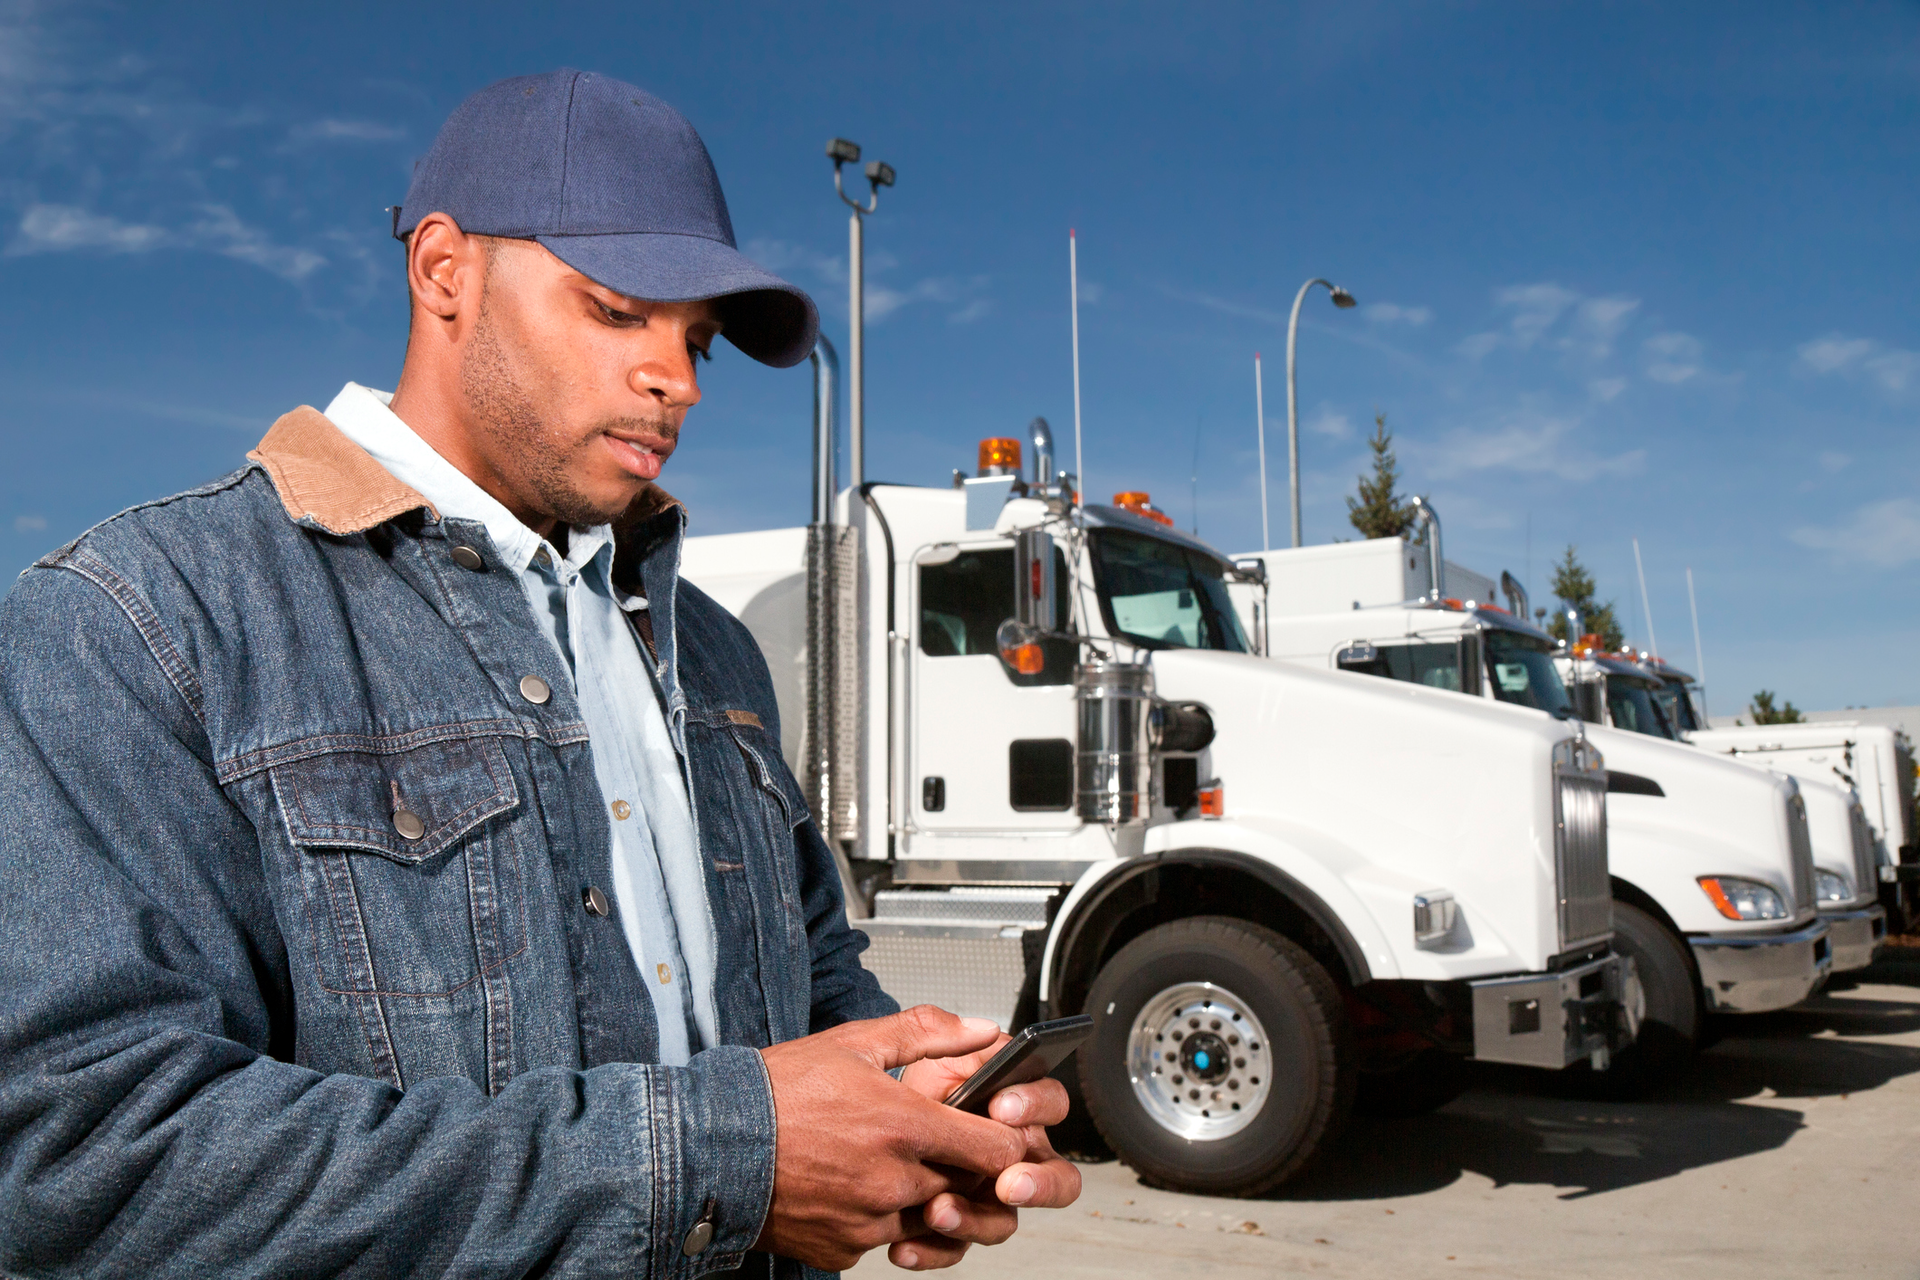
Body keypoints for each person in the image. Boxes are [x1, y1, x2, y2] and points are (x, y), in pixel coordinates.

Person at [0, 69, 1078, 1278]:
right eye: (619, 312)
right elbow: (82, 1162)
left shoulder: (711, 648)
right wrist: (727, 1156)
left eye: (698, 341)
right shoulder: (143, 620)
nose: (678, 378)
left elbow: (811, 975)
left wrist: (915, 1107)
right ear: (445, 270)